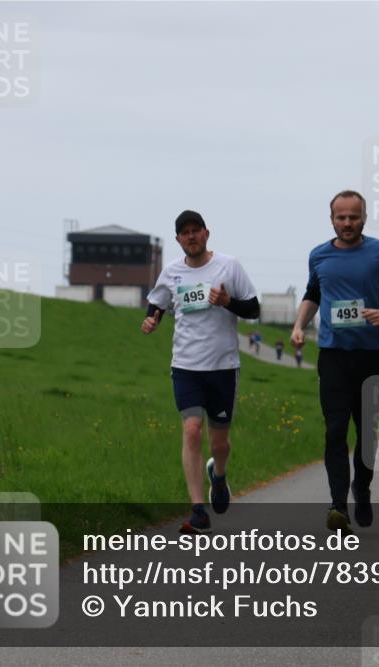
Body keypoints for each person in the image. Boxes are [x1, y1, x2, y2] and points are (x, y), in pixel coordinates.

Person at [290, 190, 379, 533]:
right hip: (333, 355)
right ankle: (337, 506)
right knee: (334, 430)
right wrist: (299, 325)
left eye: (353, 217)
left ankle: (362, 488)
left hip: (372, 356)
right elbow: (313, 294)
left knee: (368, 434)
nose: (347, 223)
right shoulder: (319, 255)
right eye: (341, 217)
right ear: (331, 219)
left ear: (364, 218)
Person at [142, 210, 260, 534]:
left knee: (219, 443)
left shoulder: (228, 266)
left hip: (222, 366)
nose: (191, 236)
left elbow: (254, 309)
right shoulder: (171, 272)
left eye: (196, 231)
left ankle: (218, 475)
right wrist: (152, 319)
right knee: (192, 431)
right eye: (185, 232)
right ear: (178, 239)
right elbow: (158, 303)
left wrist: (227, 301)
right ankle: (198, 511)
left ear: (207, 234)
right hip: (186, 366)